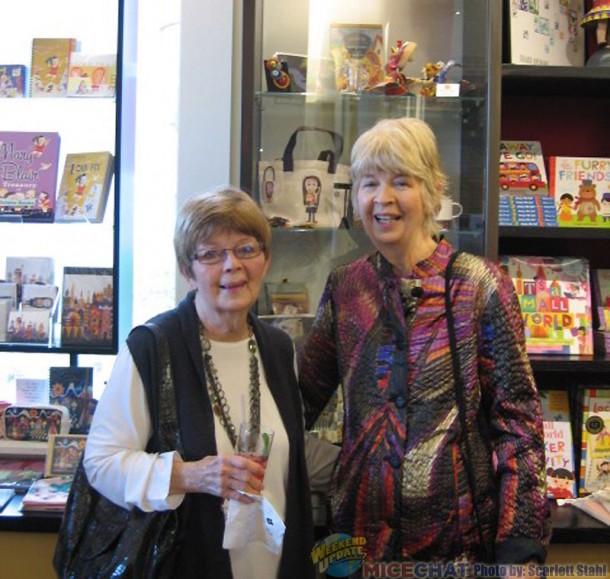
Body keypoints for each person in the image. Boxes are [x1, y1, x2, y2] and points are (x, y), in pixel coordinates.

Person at [298, 117, 551, 571]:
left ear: (433, 190)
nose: (383, 198)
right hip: (359, 546)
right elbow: (298, 399)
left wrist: (520, 547)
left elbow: (519, 431)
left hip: (458, 550)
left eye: (401, 182)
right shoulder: (346, 288)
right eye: (369, 183)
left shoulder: (479, 286)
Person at [83, 187, 332, 578]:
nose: (232, 265)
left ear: (265, 260)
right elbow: (101, 464)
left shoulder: (280, 349)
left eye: (246, 249)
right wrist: (191, 475)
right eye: (211, 254)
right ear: (188, 271)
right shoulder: (151, 348)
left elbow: (292, 462)